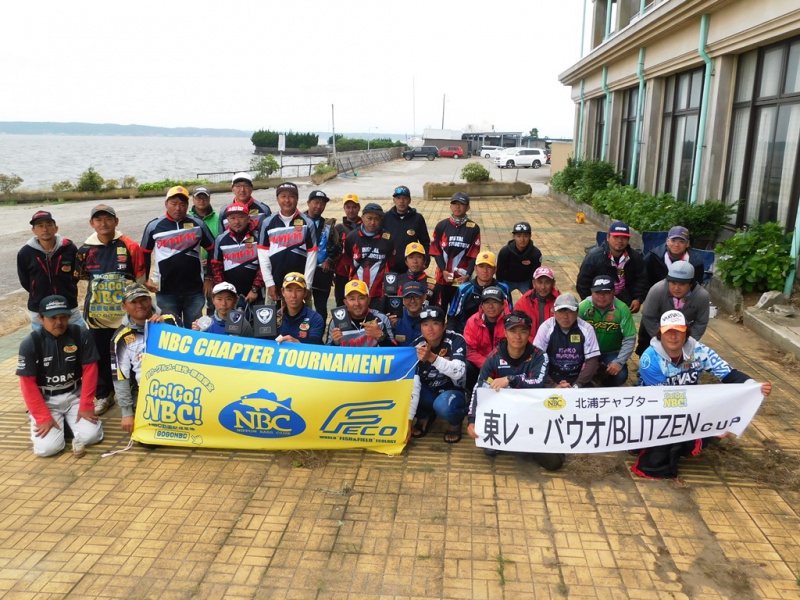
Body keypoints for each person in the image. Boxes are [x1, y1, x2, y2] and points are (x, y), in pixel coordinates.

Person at [635, 310, 772, 479]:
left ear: (686, 332)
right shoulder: (649, 358)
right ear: (660, 333)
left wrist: (752, 386)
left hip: (690, 404)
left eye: (678, 331)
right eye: (668, 332)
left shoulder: (699, 350)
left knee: (715, 421)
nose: (673, 337)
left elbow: (727, 372)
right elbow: (661, 400)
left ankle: (687, 443)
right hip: (657, 406)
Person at [467, 311, 563, 470]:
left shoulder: (539, 356)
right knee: (490, 449)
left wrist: (511, 379)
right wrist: (472, 420)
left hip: (532, 413)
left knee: (554, 463)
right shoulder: (494, 357)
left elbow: (538, 383)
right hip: (504, 414)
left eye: (523, 331)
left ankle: (528, 441)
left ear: (529, 333)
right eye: (512, 331)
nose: (518, 336)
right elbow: (479, 387)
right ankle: (512, 439)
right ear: (505, 333)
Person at [74, 204, 146, 416]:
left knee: (132, 354)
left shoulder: (130, 246)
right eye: (98, 220)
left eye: (108, 219)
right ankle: (104, 395)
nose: (103, 224)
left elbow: (139, 280)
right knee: (100, 356)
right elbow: (83, 278)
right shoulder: (85, 250)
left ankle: (135, 393)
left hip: (126, 316)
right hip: (98, 317)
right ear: (91, 223)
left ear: (116, 221)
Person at [16, 295, 104, 457]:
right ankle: (57, 423)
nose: (59, 322)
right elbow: (27, 384)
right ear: (41, 318)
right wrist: (43, 417)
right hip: (46, 401)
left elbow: (90, 370)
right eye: (53, 318)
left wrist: (86, 405)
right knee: (47, 449)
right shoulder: (30, 343)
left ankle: (68, 423)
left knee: (92, 437)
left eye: (63, 317)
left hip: (75, 395)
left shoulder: (80, 334)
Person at [140, 186, 216, 327]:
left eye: (182, 204)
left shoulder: (198, 224)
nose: (178, 208)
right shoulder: (154, 226)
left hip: (194, 291)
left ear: (187, 205)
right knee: (169, 331)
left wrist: (209, 277)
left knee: (193, 331)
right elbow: (144, 252)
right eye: (174, 204)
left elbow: (213, 248)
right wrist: (144, 280)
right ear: (166, 204)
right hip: (166, 291)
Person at [111, 283, 178, 435]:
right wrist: (126, 413)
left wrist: (165, 329)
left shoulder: (170, 319)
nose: (139, 305)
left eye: (143, 300)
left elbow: (188, 351)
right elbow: (120, 377)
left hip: (176, 389)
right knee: (148, 439)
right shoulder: (120, 338)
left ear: (150, 300)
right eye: (133, 302)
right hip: (144, 392)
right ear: (124, 306)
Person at [17, 210, 86, 330]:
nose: (45, 229)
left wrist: (67, 290)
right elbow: (25, 281)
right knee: (43, 347)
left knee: (82, 340)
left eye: (49, 225)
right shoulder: (25, 253)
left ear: (56, 228)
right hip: (39, 310)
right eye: (40, 226)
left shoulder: (69, 248)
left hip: (69, 306)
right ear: (33, 230)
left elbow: (76, 275)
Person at [408, 306, 467, 444]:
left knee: (444, 406)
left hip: (453, 391)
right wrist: (409, 420)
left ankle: (455, 423)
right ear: (420, 327)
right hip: (428, 393)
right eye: (425, 324)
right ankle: (424, 416)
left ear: (444, 325)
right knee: (405, 388)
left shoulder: (457, 340)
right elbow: (412, 382)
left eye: (435, 323)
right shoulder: (416, 345)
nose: (430, 328)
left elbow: (459, 372)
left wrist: (432, 358)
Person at [257, 181, 317, 303]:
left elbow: (312, 255)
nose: (287, 200)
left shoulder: (308, 223)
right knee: (272, 320)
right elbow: (263, 256)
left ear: (297, 199)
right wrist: (269, 283)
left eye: (291, 196)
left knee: (304, 321)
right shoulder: (267, 223)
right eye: (283, 196)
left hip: (300, 286)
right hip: (275, 284)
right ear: (277, 199)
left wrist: (308, 284)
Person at [638, 261, 710, 355]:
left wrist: (687, 340)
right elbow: (648, 317)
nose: (676, 288)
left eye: (682, 284)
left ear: (691, 284)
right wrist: (662, 339)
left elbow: (701, 322)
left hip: (684, 332)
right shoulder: (657, 290)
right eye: (673, 283)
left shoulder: (702, 296)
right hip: (656, 330)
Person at [576, 221, 647, 313]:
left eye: (624, 237)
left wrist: (638, 299)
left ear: (628, 239)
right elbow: (582, 283)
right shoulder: (593, 257)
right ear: (608, 237)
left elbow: (642, 280)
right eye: (616, 237)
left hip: (624, 302)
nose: (620, 241)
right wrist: (590, 302)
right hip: (598, 301)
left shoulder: (636, 257)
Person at [578, 275, 636, 386]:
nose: (602, 296)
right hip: (587, 352)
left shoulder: (622, 309)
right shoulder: (583, 307)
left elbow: (630, 338)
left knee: (620, 376)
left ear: (614, 292)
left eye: (606, 293)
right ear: (591, 292)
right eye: (597, 293)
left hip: (611, 353)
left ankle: (606, 387)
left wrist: (619, 362)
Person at [533, 293, 600, 388]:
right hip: (550, 376)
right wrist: (553, 385)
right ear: (554, 312)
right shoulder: (546, 327)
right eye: (561, 311)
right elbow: (536, 359)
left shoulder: (586, 328)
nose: (565, 316)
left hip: (578, 377)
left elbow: (592, 361)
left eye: (570, 311)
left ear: (577, 312)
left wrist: (577, 385)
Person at [430, 192, 482, 314]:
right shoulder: (442, 225)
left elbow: (474, 254)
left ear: (468, 207)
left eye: (461, 204)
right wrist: (443, 270)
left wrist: (468, 275)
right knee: (439, 312)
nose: (457, 207)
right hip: (442, 278)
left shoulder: (473, 228)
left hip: (461, 280)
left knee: (459, 313)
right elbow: (435, 251)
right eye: (454, 204)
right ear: (450, 206)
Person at [343, 203, 394, 309]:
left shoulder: (388, 238)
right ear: (362, 217)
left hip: (378, 294)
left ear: (381, 220)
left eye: (376, 219)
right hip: (357, 294)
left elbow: (391, 262)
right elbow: (347, 260)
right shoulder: (352, 237)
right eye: (369, 218)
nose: (372, 222)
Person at [448, 251, 511, 334]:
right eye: (481, 266)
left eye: (489, 267)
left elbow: (509, 315)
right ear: (475, 268)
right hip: (467, 334)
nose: (485, 270)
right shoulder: (464, 289)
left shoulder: (504, 289)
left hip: (495, 336)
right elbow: (452, 317)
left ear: (495, 269)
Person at [211, 203, 263, 303]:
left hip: (256, 294)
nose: (237, 221)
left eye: (241, 217)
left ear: (248, 218)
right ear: (227, 221)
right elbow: (217, 267)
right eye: (232, 218)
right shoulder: (220, 239)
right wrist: (224, 292)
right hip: (230, 296)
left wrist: (255, 289)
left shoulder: (259, 237)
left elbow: (264, 265)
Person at [463, 286, 510, 394]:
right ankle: (469, 394)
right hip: (480, 365)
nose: (491, 306)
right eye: (487, 302)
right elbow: (469, 350)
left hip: (505, 366)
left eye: (495, 302)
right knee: (466, 366)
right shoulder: (472, 321)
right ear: (482, 306)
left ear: (503, 305)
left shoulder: (511, 322)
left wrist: (501, 365)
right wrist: (487, 364)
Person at [304, 190, 340, 323]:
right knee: (298, 305)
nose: (319, 206)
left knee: (321, 308)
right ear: (308, 203)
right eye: (316, 202)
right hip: (302, 271)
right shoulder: (298, 222)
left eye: (322, 203)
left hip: (322, 272)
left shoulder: (329, 226)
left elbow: (337, 248)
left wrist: (329, 261)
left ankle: (318, 337)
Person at [327, 280, 396, 347]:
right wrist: (335, 343)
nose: (357, 303)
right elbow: (325, 353)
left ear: (369, 300)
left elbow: (396, 353)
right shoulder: (336, 322)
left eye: (361, 298)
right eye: (352, 299)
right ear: (346, 302)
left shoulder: (381, 318)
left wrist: (380, 336)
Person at [382, 185, 430, 274]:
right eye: (398, 198)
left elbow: (425, 242)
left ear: (409, 200)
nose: (401, 201)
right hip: (390, 268)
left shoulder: (417, 218)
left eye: (405, 198)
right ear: (394, 200)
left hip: (411, 268)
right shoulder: (385, 218)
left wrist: (426, 261)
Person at [191, 186, 221, 314]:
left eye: (204, 197)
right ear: (193, 199)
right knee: (194, 308)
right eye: (198, 197)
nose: (201, 200)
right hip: (193, 273)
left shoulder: (218, 219)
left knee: (214, 306)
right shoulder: (187, 219)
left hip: (213, 271)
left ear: (209, 199)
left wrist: (211, 272)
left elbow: (220, 245)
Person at [276, 272, 326, 345]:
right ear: (283, 292)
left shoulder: (315, 318)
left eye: (298, 290)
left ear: (305, 292)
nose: (293, 295)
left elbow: (315, 348)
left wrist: (297, 344)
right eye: (289, 290)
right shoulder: (273, 317)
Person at [496, 222, 542, 297]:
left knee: (534, 298)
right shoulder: (505, 252)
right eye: (519, 236)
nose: (522, 239)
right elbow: (499, 272)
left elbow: (535, 274)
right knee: (499, 298)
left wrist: (532, 289)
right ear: (513, 236)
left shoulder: (535, 254)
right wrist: (500, 288)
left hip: (526, 281)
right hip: (508, 280)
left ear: (530, 236)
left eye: (526, 236)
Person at [514, 266, 560, 340]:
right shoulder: (523, 302)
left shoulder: (560, 302)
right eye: (539, 282)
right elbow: (515, 327)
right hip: (529, 346)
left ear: (553, 283)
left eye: (547, 282)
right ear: (533, 283)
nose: (543, 287)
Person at [333, 193, 362, 307]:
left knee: (360, 302)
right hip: (342, 272)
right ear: (344, 208)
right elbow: (333, 251)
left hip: (360, 272)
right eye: (348, 207)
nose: (351, 210)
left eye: (354, 207)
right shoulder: (338, 229)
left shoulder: (365, 226)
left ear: (359, 208)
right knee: (341, 302)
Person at [391, 280, 426, 346]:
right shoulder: (395, 318)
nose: (412, 301)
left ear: (424, 298)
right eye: (408, 297)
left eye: (416, 296)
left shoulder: (430, 317)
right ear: (403, 300)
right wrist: (389, 327)